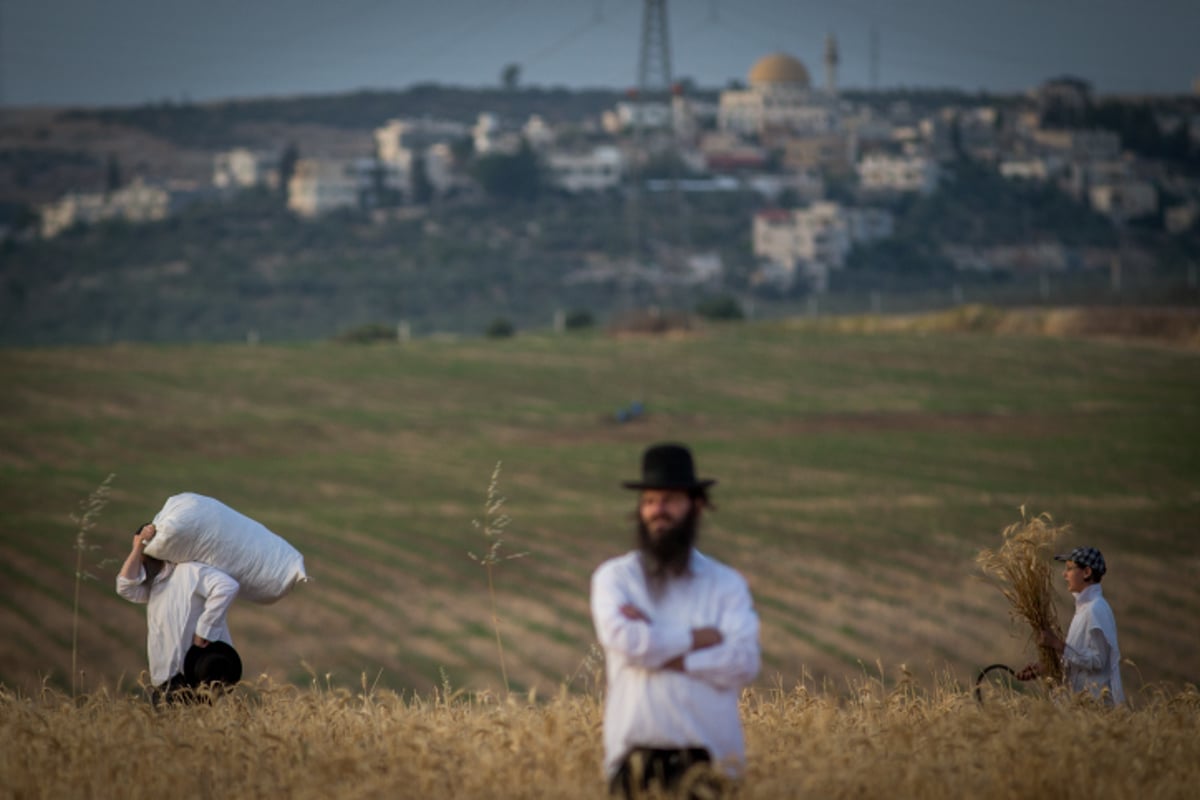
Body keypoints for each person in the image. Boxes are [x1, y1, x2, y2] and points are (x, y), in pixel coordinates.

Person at [590, 443, 761, 798]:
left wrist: (657, 644)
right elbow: (628, 643)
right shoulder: (616, 579)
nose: (657, 511)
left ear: (696, 505)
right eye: (649, 501)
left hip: (711, 764)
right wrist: (702, 639)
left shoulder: (725, 584)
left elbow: (744, 661)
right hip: (633, 764)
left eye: (669, 500)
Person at [116, 521, 242, 702]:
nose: (141, 558)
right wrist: (137, 547)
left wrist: (204, 630)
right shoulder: (156, 584)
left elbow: (227, 587)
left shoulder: (190, 571)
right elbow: (124, 587)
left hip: (192, 678)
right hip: (164, 682)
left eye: (143, 551)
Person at [1016, 546, 1124, 705]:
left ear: (1087, 572)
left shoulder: (1096, 609)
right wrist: (1046, 667)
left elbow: (1098, 661)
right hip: (1078, 706)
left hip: (1093, 707)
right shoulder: (1084, 609)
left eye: (1069, 569)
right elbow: (1079, 658)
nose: (1064, 574)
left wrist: (1056, 643)